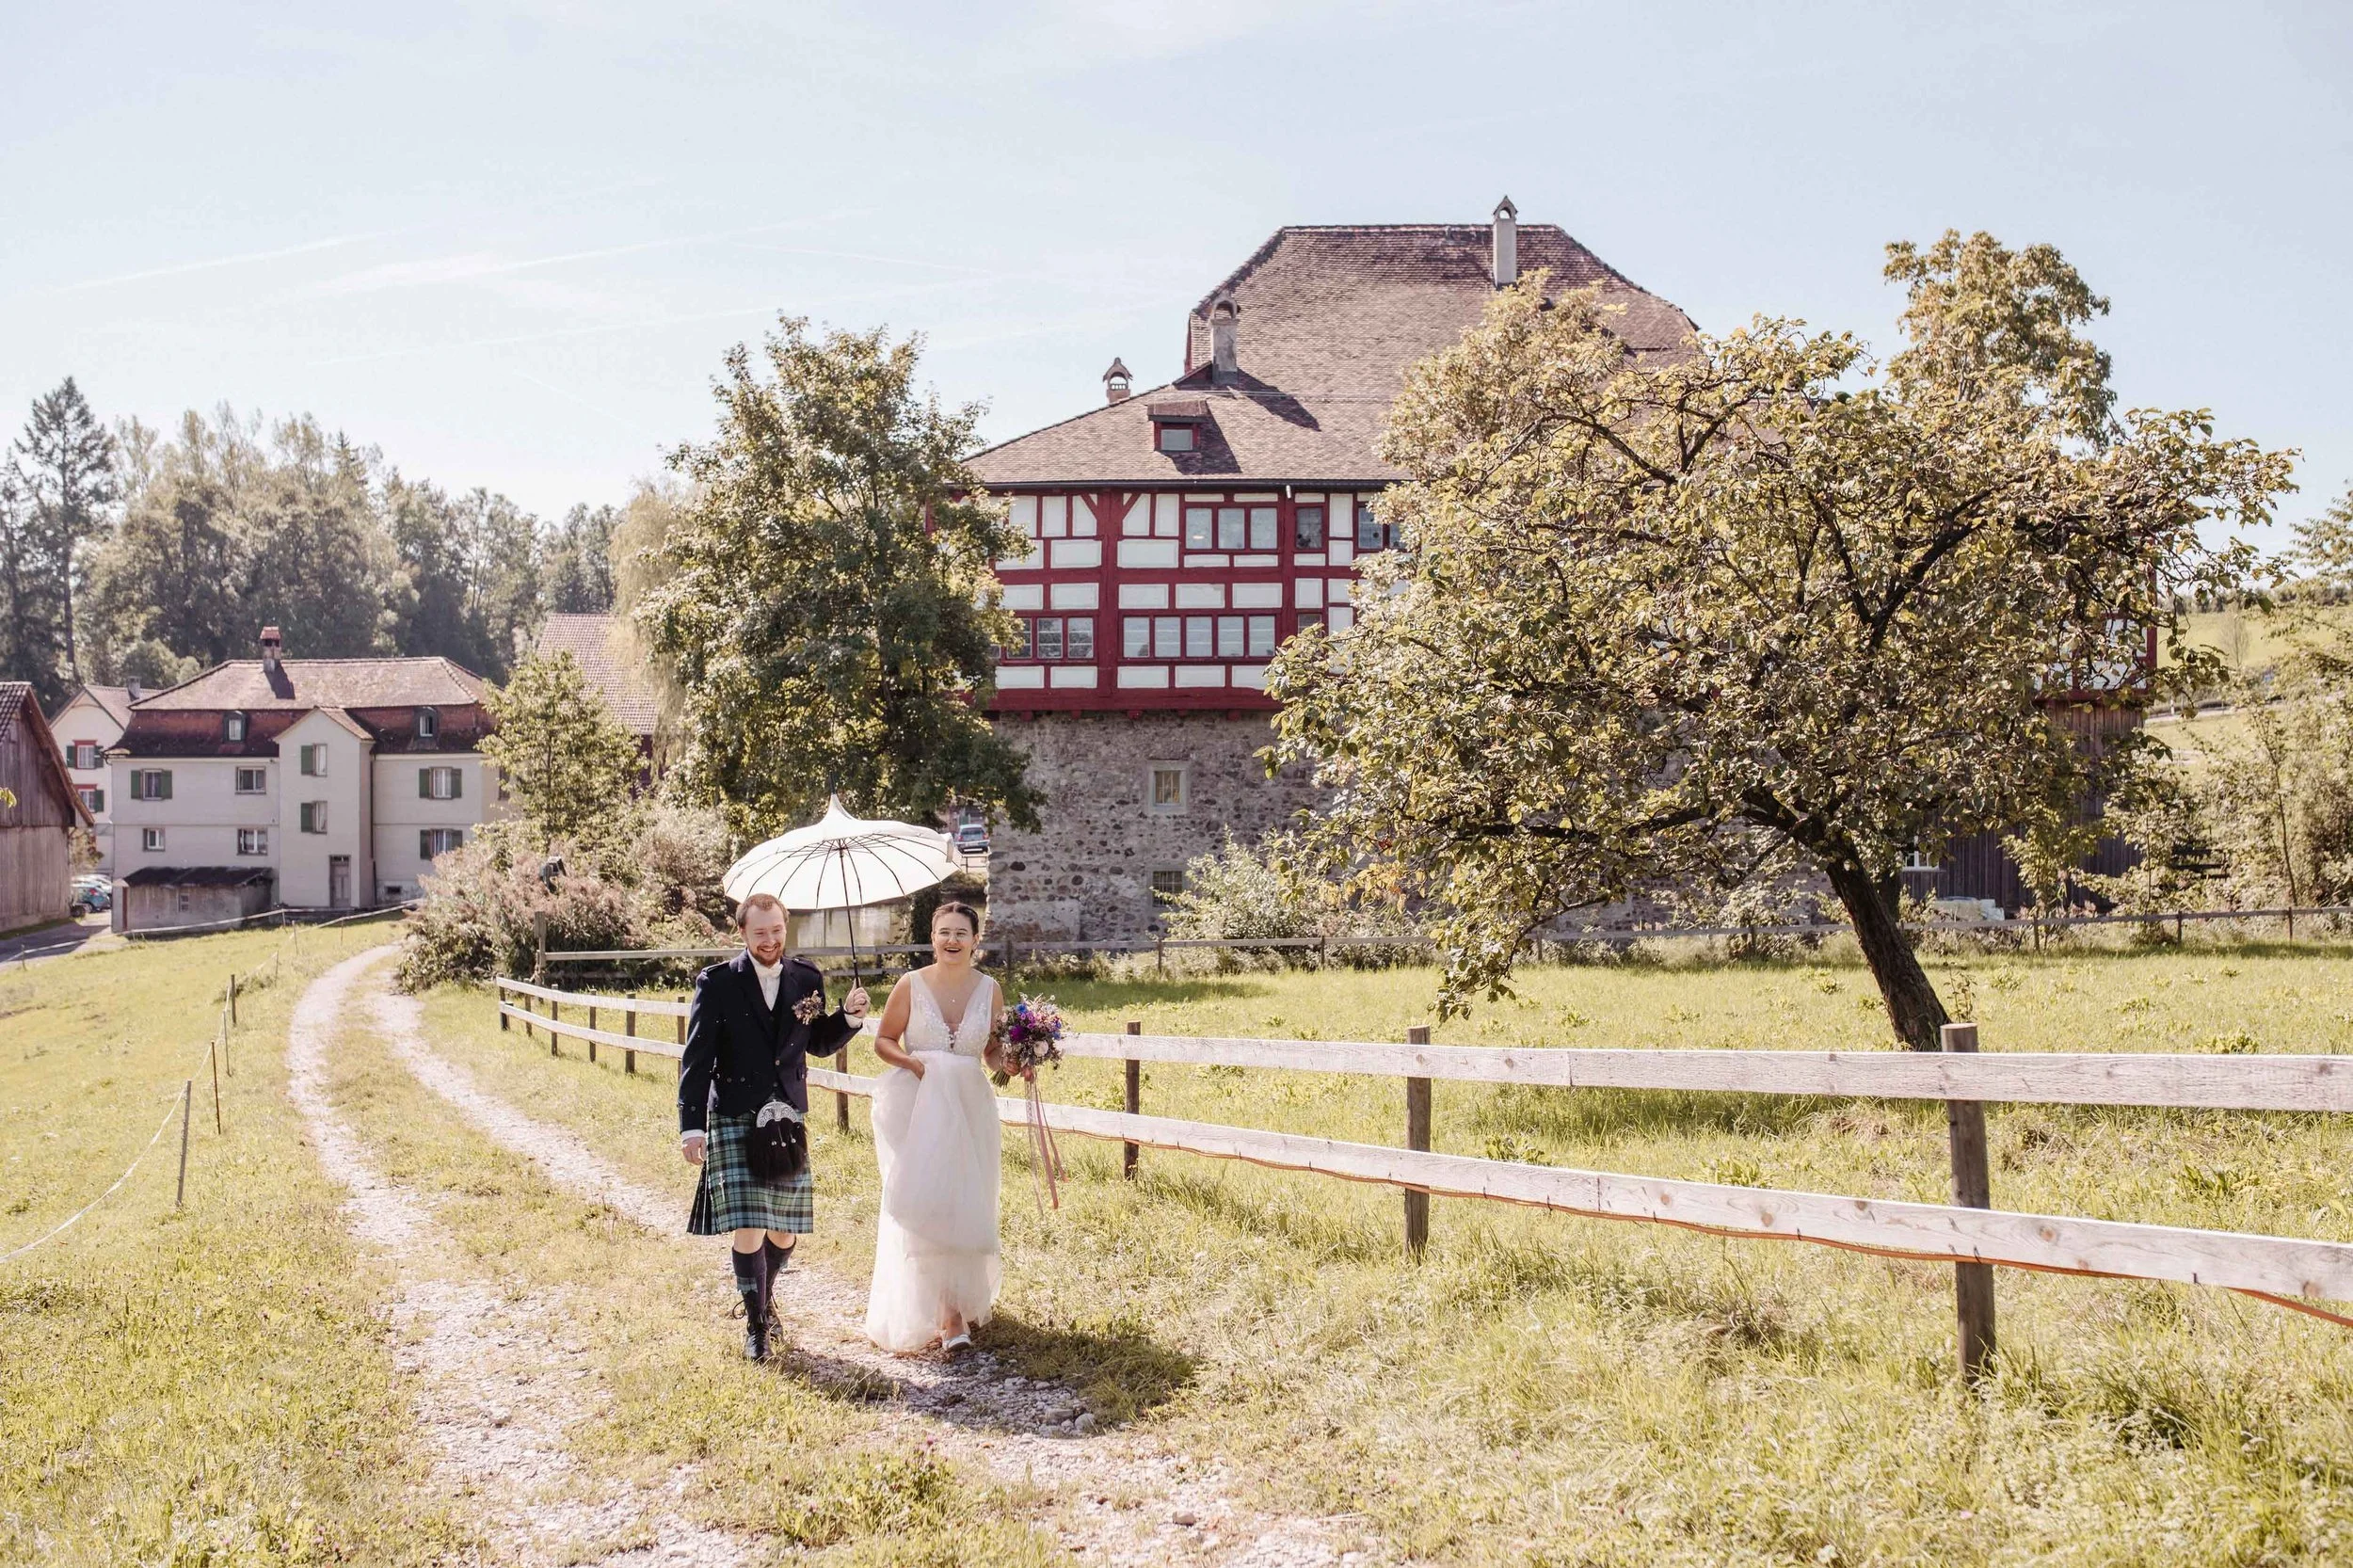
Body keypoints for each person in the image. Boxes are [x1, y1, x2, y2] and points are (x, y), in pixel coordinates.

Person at [680, 892, 869, 1361]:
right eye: (760, 932)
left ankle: (763, 1295)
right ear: (742, 933)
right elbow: (697, 1058)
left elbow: (818, 1042)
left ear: (787, 927)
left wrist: (847, 1018)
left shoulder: (806, 977)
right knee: (748, 1227)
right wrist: (692, 1127)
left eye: (777, 929)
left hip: (786, 1115)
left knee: (783, 1232)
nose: (770, 940)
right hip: (734, 1113)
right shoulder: (718, 982)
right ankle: (757, 1326)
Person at [864, 901, 1027, 1353]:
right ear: (932, 938)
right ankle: (947, 1313)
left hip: (971, 1103)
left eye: (961, 933)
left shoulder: (990, 988)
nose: (952, 940)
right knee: (929, 1200)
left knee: (965, 1199)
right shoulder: (909, 985)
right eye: (944, 932)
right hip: (919, 1103)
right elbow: (882, 1040)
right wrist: (912, 1063)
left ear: (976, 941)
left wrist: (1015, 1062)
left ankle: (955, 1302)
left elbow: (992, 1052)